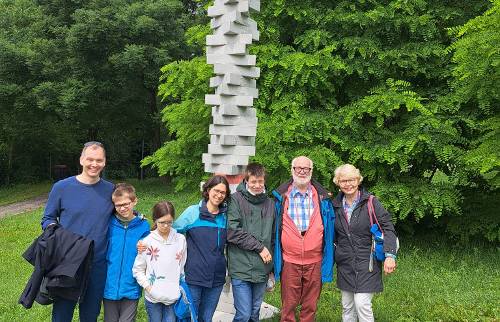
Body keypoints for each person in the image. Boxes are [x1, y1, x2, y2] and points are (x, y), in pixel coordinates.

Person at [41, 141, 114, 322]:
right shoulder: (62, 188)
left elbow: (123, 213)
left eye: (99, 160)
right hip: (68, 262)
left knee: (90, 315)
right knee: (62, 314)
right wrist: (56, 234)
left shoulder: (111, 190)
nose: (94, 164)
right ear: (81, 160)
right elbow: (47, 218)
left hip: (97, 263)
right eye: (90, 159)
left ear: (104, 162)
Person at [272, 156, 335, 322]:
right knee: (289, 304)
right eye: (298, 168)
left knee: (310, 305)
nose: (302, 171)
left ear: (311, 171)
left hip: (314, 261)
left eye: (306, 168)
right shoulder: (281, 197)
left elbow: (330, 227)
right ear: (292, 170)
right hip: (290, 260)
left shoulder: (323, 198)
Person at [332, 164, 397, 322]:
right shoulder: (334, 205)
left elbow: (388, 228)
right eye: (343, 181)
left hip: (367, 262)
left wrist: (390, 255)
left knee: (362, 304)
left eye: (352, 180)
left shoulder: (371, 202)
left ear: (358, 180)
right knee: (347, 306)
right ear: (338, 183)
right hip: (345, 263)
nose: (348, 184)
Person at [172, 175, 230, 322]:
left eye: (223, 192)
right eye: (216, 190)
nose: (219, 195)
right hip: (194, 277)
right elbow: (172, 232)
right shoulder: (193, 212)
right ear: (208, 190)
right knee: (189, 317)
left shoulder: (226, 216)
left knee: (206, 318)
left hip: (216, 278)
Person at [226, 163, 275, 322]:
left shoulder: (270, 204)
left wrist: (272, 269)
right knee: (244, 314)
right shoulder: (235, 200)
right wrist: (259, 247)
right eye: (253, 182)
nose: (257, 185)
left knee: (254, 313)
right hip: (241, 267)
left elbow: (273, 237)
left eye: (260, 181)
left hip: (262, 268)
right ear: (246, 181)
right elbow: (232, 232)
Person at [132, 201, 187, 322]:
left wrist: (178, 288)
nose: (166, 226)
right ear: (155, 220)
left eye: (169, 222)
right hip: (153, 297)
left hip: (173, 296)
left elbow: (181, 266)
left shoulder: (181, 239)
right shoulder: (146, 242)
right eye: (162, 222)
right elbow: (137, 270)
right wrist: (149, 288)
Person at [103, 183, 150, 322]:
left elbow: (148, 252)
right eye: (118, 205)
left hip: (131, 284)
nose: (122, 208)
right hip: (109, 285)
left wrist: (145, 248)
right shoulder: (108, 223)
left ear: (134, 201)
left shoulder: (143, 225)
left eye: (126, 204)